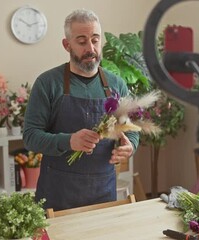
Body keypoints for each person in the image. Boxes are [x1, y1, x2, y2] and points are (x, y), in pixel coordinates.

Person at [23, 9, 139, 211]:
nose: (91, 48)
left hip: (103, 193)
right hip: (58, 195)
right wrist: (68, 141)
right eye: (82, 41)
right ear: (67, 45)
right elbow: (30, 137)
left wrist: (130, 147)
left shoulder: (117, 85)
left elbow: (129, 130)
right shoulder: (47, 83)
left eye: (95, 40)